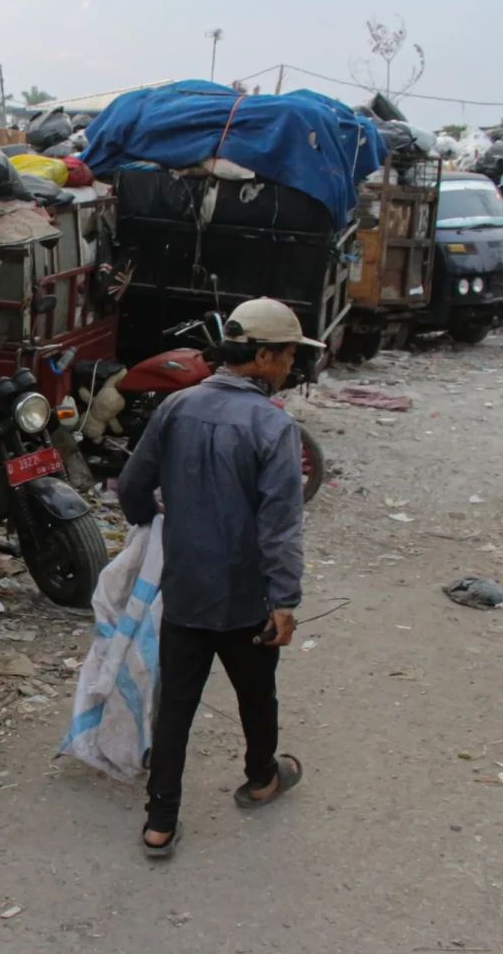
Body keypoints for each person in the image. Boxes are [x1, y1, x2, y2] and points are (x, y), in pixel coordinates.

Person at [116, 297, 320, 859]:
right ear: (262, 357)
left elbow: (133, 484)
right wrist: (284, 600)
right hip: (245, 594)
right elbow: (280, 523)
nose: (289, 368)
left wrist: (150, 523)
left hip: (185, 586)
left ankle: (160, 822)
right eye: (286, 357)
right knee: (256, 691)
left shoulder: (177, 406)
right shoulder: (273, 425)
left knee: (176, 703)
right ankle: (261, 778)